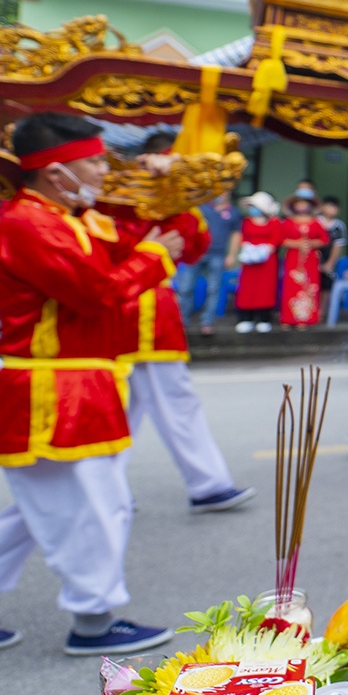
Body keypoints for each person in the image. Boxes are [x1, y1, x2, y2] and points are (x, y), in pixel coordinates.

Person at [0, 113, 183, 654]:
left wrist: (167, 201)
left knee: (44, 510)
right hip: (55, 391)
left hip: (75, 385)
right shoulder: (31, 224)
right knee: (97, 506)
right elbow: (96, 291)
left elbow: (145, 245)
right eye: (97, 160)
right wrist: (155, 258)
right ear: (57, 172)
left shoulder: (66, 216)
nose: (106, 170)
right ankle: (93, 620)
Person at [101, 191, 251, 515]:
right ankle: (207, 484)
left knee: (128, 409)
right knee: (169, 404)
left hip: (150, 311)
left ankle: (107, 491)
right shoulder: (116, 202)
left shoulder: (173, 207)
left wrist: (181, 202)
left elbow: (194, 249)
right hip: (135, 310)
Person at [184, 188, 239, 332]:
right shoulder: (202, 208)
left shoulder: (233, 212)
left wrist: (232, 255)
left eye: (223, 191)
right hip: (196, 253)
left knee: (214, 289)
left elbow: (236, 234)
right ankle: (182, 322)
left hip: (218, 254)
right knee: (186, 287)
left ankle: (207, 322)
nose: (220, 194)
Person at [227, 192, 280, 332]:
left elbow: (276, 239)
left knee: (265, 289)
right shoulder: (246, 222)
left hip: (267, 261)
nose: (252, 209)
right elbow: (242, 237)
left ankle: (264, 318)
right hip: (249, 261)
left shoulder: (274, 222)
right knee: (247, 289)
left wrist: (265, 250)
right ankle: (246, 318)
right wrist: (248, 249)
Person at [277, 189, 330, 328]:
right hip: (293, 257)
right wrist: (296, 244)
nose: (301, 206)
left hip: (310, 258)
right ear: (293, 205)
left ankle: (305, 319)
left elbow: (324, 239)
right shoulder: (288, 222)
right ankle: (288, 318)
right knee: (290, 286)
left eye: (304, 203)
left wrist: (311, 244)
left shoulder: (316, 222)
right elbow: (280, 239)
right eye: (299, 203)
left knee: (309, 286)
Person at [319, 196, 348, 270]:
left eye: (335, 208)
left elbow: (338, 246)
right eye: (329, 206)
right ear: (322, 207)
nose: (332, 210)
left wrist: (330, 263)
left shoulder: (339, 226)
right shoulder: (315, 222)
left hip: (329, 260)